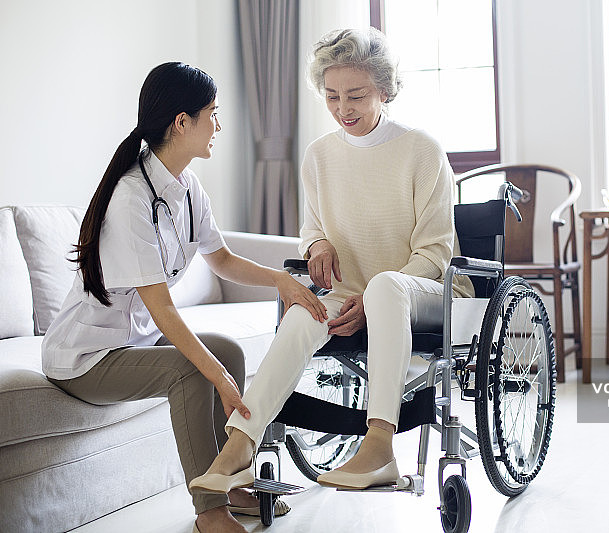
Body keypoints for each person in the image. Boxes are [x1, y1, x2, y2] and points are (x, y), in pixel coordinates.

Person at [41, 62, 327, 533]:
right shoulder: (131, 197)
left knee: (228, 350)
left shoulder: (187, 187)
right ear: (181, 122)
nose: (219, 125)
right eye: (212, 113)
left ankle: (231, 482)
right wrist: (215, 377)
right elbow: (164, 310)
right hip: (87, 356)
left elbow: (223, 260)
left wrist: (281, 280)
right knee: (192, 372)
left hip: (133, 340)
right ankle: (209, 513)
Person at [189, 27, 473, 498]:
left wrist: (380, 292)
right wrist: (317, 247)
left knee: (385, 288)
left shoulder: (422, 150)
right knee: (303, 314)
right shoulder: (319, 156)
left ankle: (380, 444)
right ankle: (240, 445)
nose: (344, 108)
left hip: (426, 291)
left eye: (356, 95)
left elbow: (436, 252)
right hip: (352, 291)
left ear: (384, 89)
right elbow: (313, 228)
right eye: (332, 96)